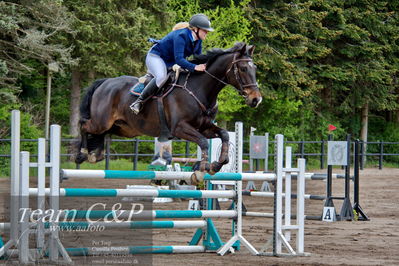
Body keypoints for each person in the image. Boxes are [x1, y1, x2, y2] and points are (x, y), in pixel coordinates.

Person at [130, 14, 214, 114]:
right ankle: (139, 102)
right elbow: (179, 60)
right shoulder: (181, 36)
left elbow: (198, 58)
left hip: (170, 61)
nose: (207, 32)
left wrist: (209, 65)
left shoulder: (198, 41)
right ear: (195, 29)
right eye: (205, 30)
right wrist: (195, 67)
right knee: (161, 77)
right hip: (156, 57)